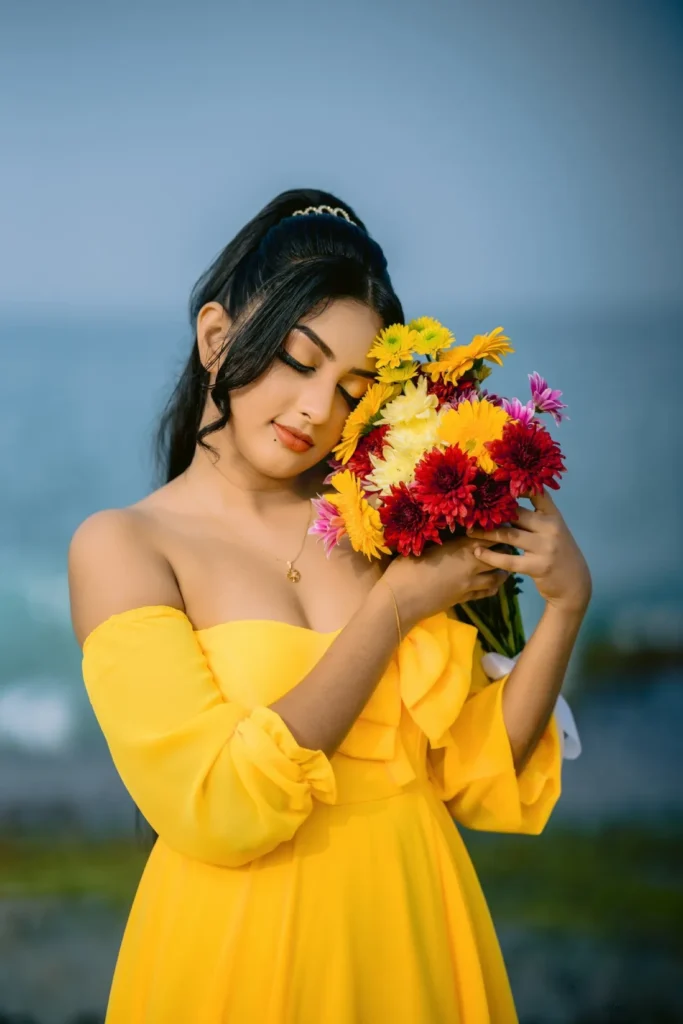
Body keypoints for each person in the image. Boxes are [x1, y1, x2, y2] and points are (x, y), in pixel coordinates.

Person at [68, 188, 592, 1023]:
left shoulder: (379, 524)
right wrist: (393, 610)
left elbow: (472, 771)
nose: (318, 411)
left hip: (416, 922)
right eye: (299, 361)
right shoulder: (124, 546)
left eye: (354, 389)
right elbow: (219, 804)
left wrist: (565, 607)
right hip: (239, 948)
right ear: (217, 337)